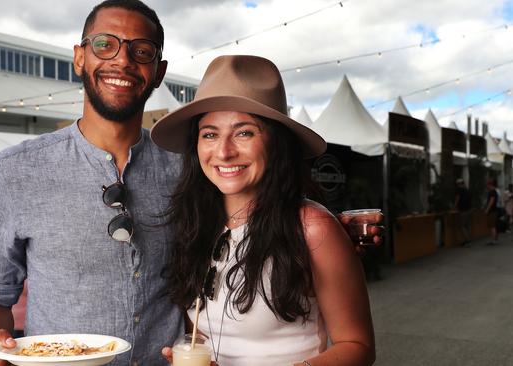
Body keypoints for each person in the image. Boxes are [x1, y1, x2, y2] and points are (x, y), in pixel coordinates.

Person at [0, 2, 381, 365]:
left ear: (159, 72)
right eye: (104, 44)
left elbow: (270, 224)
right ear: (79, 57)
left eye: (141, 51)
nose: (122, 61)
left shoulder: (188, 172)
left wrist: (326, 234)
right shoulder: (16, 170)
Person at [151, 55, 375, 365]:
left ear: (276, 142)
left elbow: (358, 346)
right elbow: (205, 332)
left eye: (244, 132)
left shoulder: (313, 227)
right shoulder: (196, 225)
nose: (224, 152)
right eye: (210, 134)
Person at [453, 178, 472, 246]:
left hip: (463, 210)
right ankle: (468, 239)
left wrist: (454, 207)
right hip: (469, 209)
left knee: (463, 226)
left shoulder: (459, 190)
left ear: (458, 184)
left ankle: (467, 241)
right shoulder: (467, 190)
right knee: (468, 225)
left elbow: (457, 199)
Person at [484, 179, 499, 245]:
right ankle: (494, 239)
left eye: (487, 185)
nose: (487, 186)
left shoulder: (492, 192)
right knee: (493, 225)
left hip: (492, 211)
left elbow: (491, 201)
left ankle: (494, 240)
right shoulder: (494, 191)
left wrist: (487, 209)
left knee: (492, 226)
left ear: (490, 185)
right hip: (494, 210)